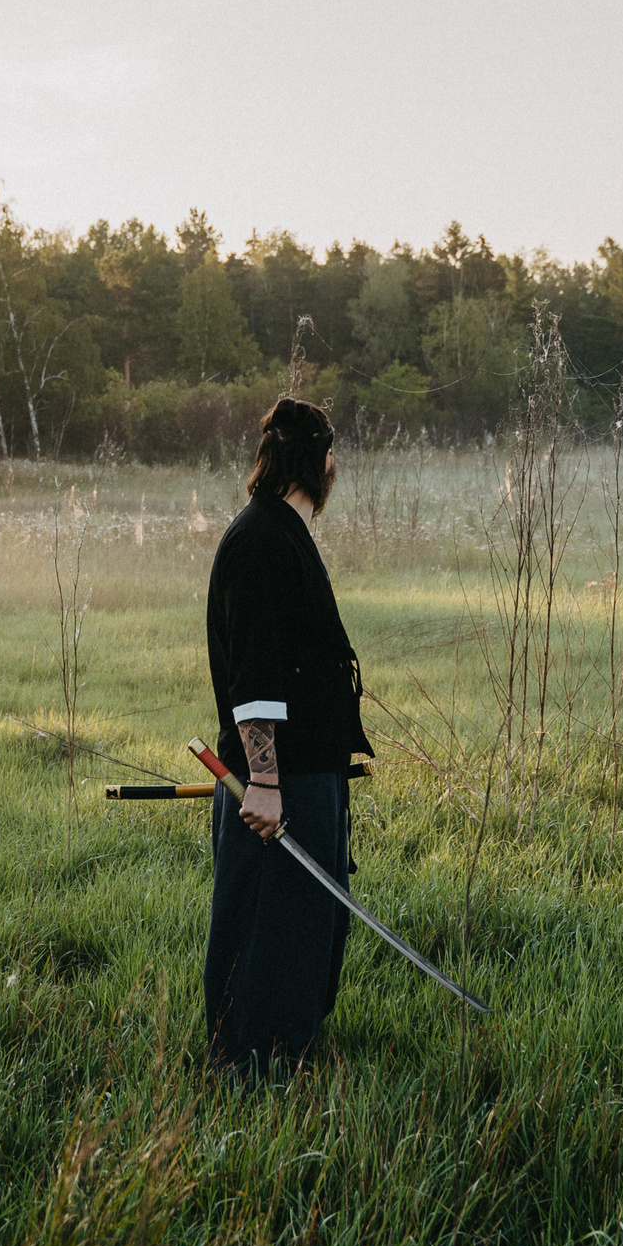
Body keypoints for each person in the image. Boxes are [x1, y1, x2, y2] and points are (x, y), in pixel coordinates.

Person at [202, 396, 372, 1077]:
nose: (336, 466)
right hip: (279, 788)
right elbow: (256, 678)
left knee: (308, 929)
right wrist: (266, 783)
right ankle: (251, 1068)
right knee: (267, 929)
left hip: (310, 775)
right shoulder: (260, 542)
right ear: (313, 461)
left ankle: (289, 1055)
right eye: (331, 453)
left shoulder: (285, 534)